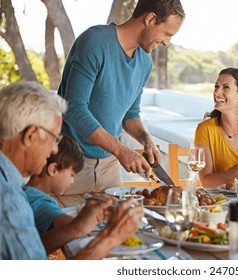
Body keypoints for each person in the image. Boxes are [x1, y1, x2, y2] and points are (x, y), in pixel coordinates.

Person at [0, 81, 143, 260]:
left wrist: (76, 228)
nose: (54, 150)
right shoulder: (7, 199)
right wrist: (111, 238)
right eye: (54, 138)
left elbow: (28, 252)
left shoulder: (10, 183)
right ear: (31, 136)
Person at [57, 0, 185, 194]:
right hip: (71, 163)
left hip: (109, 165)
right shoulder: (94, 41)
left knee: (118, 222)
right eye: (167, 34)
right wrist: (121, 150)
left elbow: (130, 114)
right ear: (151, 19)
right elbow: (73, 109)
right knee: (67, 222)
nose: (166, 43)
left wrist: (146, 140)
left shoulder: (144, 62)